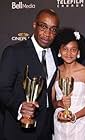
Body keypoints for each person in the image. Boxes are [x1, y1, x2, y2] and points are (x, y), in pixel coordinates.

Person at [0, 9, 59, 140]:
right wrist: (20, 107)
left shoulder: (56, 55)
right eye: (43, 27)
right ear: (34, 25)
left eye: (53, 29)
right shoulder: (14, 52)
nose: (48, 34)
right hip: (19, 130)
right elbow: (2, 89)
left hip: (47, 129)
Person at [51, 28, 85, 140]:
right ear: (59, 52)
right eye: (65, 49)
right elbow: (52, 102)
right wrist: (59, 103)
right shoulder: (55, 72)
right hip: (59, 122)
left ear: (78, 52)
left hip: (80, 123)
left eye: (73, 49)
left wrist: (74, 116)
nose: (69, 53)